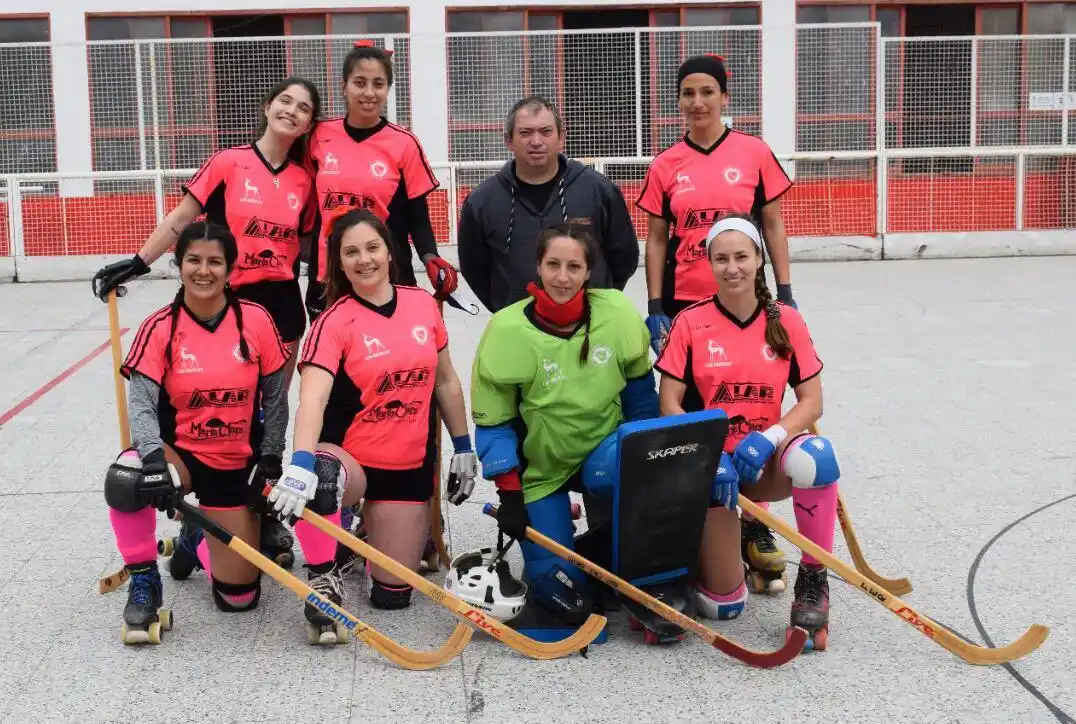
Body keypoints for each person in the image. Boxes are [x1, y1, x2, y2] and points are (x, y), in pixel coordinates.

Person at [91, 76, 322, 569]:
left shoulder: (307, 180)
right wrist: (138, 261)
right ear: (267, 104)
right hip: (227, 299)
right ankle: (198, 524)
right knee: (209, 412)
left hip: (280, 305)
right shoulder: (228, 162)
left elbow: (309, 249)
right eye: (285, 100)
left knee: (264, 416)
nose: (292, 111)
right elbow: (182, 218)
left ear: (308, 124)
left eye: (304, 108)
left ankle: (259, 517)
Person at [265, 207, 478, 643]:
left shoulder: (421, 304)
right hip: (349, 461)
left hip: (406, 465)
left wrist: (463, 447)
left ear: (389, 250)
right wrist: (301, 461)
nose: (364, 259)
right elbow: (312, 398)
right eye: (351, 252)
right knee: (321, 482)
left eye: (372, 247)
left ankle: (358, 537)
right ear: (337, 263)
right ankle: (324, 572)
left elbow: (445, 380)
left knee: (394, 595)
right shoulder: (334, 320)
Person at [654, 214, 840, 650]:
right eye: (721, 259)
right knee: (724, 607)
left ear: (759, 259)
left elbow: (812, 401)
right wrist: (704, 454)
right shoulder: (691, 322)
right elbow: (669, 405)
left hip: (764, 458)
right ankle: (715, 551)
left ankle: (813, 579)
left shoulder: (786, 321)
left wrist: (771, 436)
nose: (731, 267)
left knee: (817, 456)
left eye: (742, 256)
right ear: (709, 263)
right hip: (715, 471)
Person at [104, 221, 292, 644]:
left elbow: (276, 401)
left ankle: (193, 539)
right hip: (180, 457)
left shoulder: (257, 321)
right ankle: (145, 581)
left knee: (239, 599)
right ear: (178, 264)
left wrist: (270, 459)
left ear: (231, 269)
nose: (203, 271)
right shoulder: (160, 327)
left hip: (235, 460)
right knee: (126, 477)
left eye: (214, 261)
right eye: (193, 260)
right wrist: (153, 461)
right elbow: (141, 405)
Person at [469, 223, 658, 633]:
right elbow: (495, 424)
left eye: (574, 266)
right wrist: (511, 495)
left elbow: (642, 402)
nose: (562, 276)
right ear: (538, 265)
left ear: (589, 272)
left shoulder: (618, 313)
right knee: (560, 595)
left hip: (605, 455)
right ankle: (577, 561)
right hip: (543, 469)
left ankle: (627, 565)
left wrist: (650, 474)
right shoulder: (505, 330)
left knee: (633, 505)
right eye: (552, 264)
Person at [637, 54, 796, 356]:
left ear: (724, 97)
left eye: (707, 92)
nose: (697, 102)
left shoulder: (755, 152)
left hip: (746, 294)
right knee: (690, 396)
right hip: (684, 299)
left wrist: (785, 291)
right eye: (688, 93)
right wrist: (655, 305)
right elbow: (657, 239)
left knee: (744, 380)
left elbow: (773, 225)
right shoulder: (664, 165)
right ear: (679, 101)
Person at [304, 40, 457, 323]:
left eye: (379, 84)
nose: (369, 93)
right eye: (360, 82)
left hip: (387, 269)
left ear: (388, 89)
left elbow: (417, 213)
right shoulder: (319, 135)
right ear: (344, 86)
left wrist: (430, 256)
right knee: (330, 357)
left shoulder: (404, 143)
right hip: (329, 272)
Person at [458, 95, 640, 314]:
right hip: (520, 332)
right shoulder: (482, 202)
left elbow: (624, 258)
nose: (536, 141)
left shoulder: (598, 191)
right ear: (509, 140)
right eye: (525, 133)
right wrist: (506, 307)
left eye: (546, 131)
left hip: (589, 326)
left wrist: (597, 301)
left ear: (561, 138)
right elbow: (474, 268)